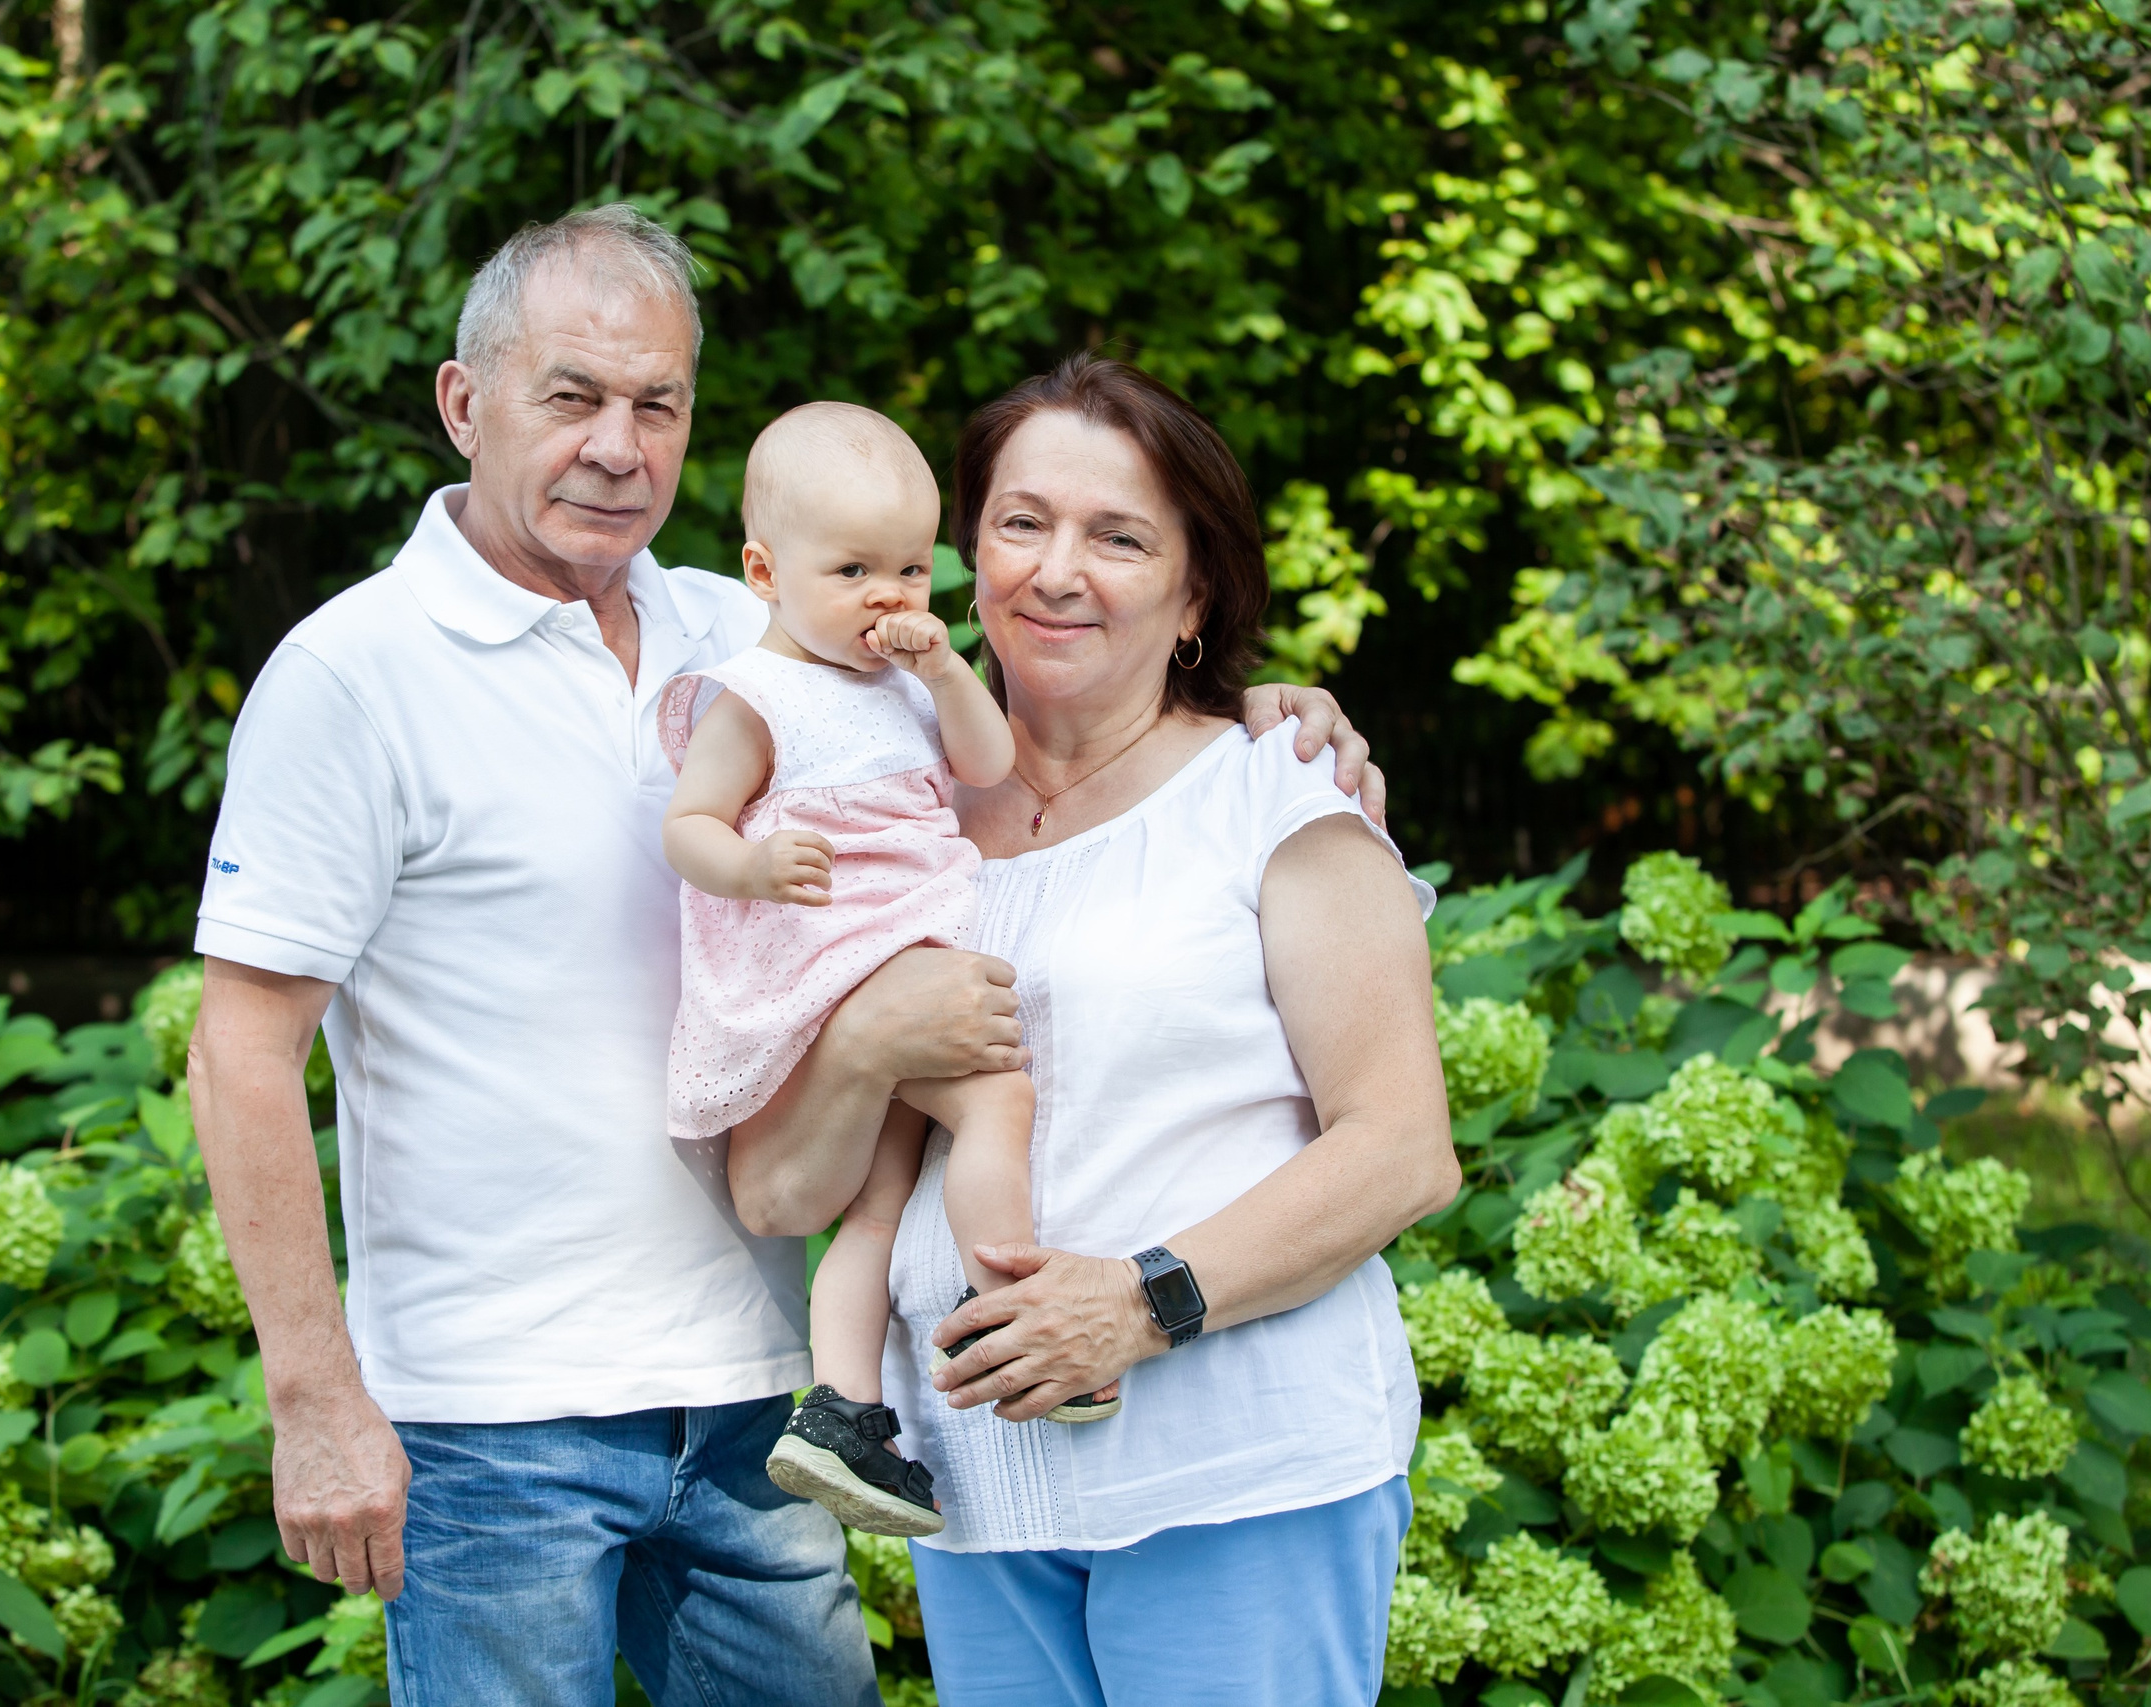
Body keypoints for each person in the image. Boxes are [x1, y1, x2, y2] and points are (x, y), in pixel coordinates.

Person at [186, 206, 1382, 1706]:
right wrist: (314, 1399)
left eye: (659, 403)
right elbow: (239, 1052)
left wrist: (1267, 700)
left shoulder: (735, 635)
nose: (619, 445)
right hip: (502, 1421)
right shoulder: (352, 674)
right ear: (463, 401)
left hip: (756, 1397)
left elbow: (1039, 702)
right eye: (572, 395)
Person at [726, 354, 1463, 1706]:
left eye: (1119, 537)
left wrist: (1140, 1300)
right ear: (963, 553)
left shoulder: (1276, 796)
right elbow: (781, 1187)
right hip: (979, 1490)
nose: (1057, 570)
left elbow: (1405, 1151)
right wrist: (865, 1038)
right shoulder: (880, 816)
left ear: (1196, 594)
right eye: (1022, 522)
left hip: (1238, 1478)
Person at [658, 404, 1113, 1543]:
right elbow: (688, 827)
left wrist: (948, 673)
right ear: (763, 571)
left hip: (899, 952)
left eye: (909, 568)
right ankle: (1012, 1308)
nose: (887, 596)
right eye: (851, 568)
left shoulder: (902, 680)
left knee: (875, 1205)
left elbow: (985, 761)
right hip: (844, 964)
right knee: (997, 1097)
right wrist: (754, 867)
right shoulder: (756, 694)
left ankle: (842, 1414)